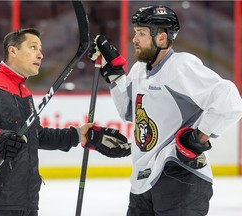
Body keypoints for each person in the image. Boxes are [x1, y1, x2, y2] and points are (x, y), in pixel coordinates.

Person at [88, 5, 242, 216]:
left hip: (180, 177)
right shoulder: (139, 69)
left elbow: (230, 100)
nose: (134, 39)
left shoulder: (181, 67)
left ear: (161, 38)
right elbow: (128, 111)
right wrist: (115, 75)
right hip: (143, 183)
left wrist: (198, 138)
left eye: (141, 33)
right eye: (135, 33)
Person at [0, 28, 129, 216]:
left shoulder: (24, 92)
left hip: (27, 201)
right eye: (33, 48)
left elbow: (35, 135)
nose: (40, 54)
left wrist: (78, 135)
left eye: (40, 49)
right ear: (12, 51)